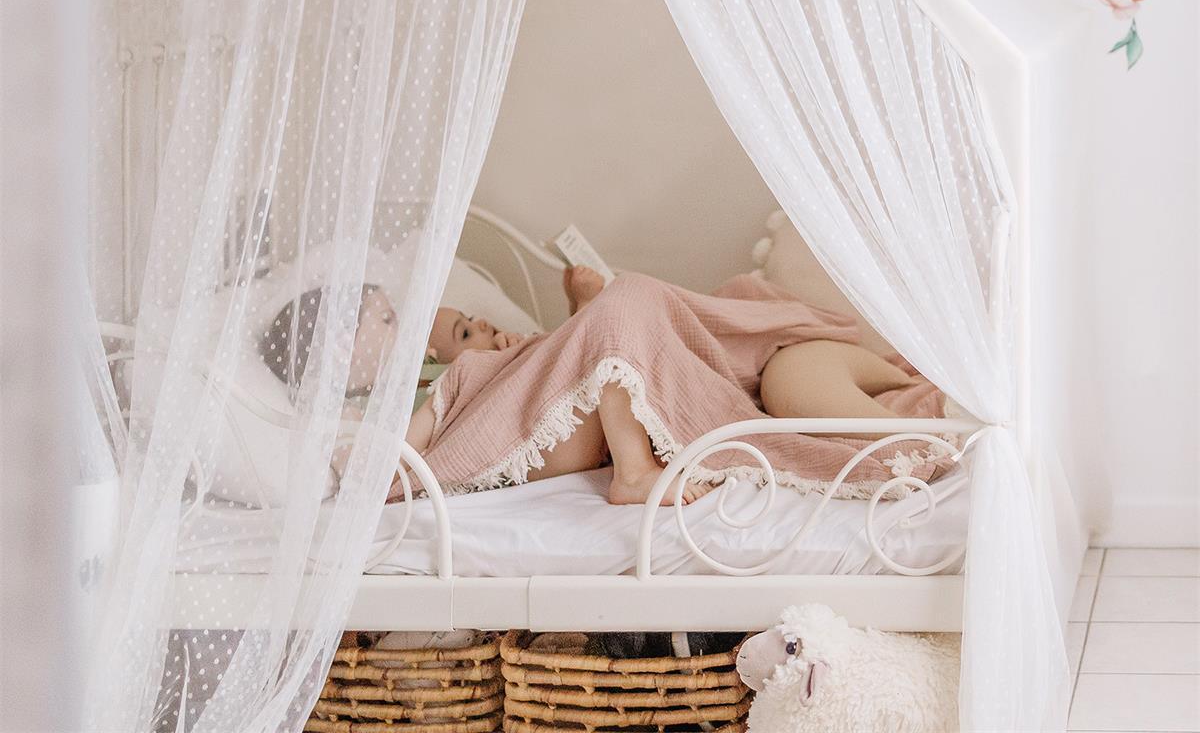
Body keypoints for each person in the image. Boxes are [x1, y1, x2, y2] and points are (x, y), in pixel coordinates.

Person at [264, 267, 926, 507]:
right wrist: (367, 459)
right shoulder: (403, 397)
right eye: (381, 318)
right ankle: (633, 473)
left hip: (551, 401)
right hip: (513, 423)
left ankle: (612, 330)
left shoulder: (456, 367)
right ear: (341, 353)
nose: (399, 320)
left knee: (629, 303)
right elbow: (396, 462)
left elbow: (545, 367)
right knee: (624, 302)